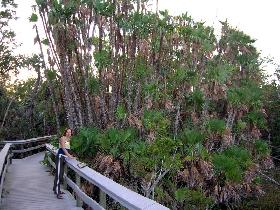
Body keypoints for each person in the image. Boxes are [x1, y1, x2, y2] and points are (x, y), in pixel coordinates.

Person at [52, 128, 75, 199]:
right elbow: (63, 148)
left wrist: (72, 156)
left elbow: (68, 149)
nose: (68, 133)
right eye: (67, 132)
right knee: (58, 175)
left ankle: (55, 189)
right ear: (65, 132)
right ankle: (57, 192)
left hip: (64, 159)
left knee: (61, 174)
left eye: (70, 132)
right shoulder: (62, 138)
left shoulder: (69, 139)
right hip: (60, 157)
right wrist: (70, 156)